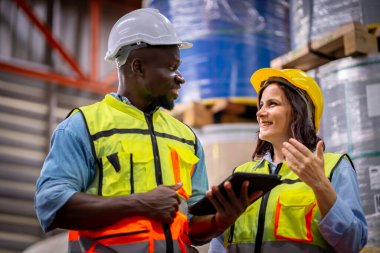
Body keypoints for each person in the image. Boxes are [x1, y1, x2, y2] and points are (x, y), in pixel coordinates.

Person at [34, 8, 260, 253]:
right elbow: (51, 206)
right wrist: (140, 203)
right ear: (138, 67)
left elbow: (192, 228)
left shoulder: (186, 138)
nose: (180, 78)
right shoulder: (84, 127)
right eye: (171, 67)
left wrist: (221, 219)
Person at [208, 68, 368, 253]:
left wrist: (320, 185)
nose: (260, 113)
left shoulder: (334, 167)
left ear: (298, 112)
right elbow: (218, 245)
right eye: (261, 105)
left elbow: (353, 243)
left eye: (272, 104)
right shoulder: (242, 174)